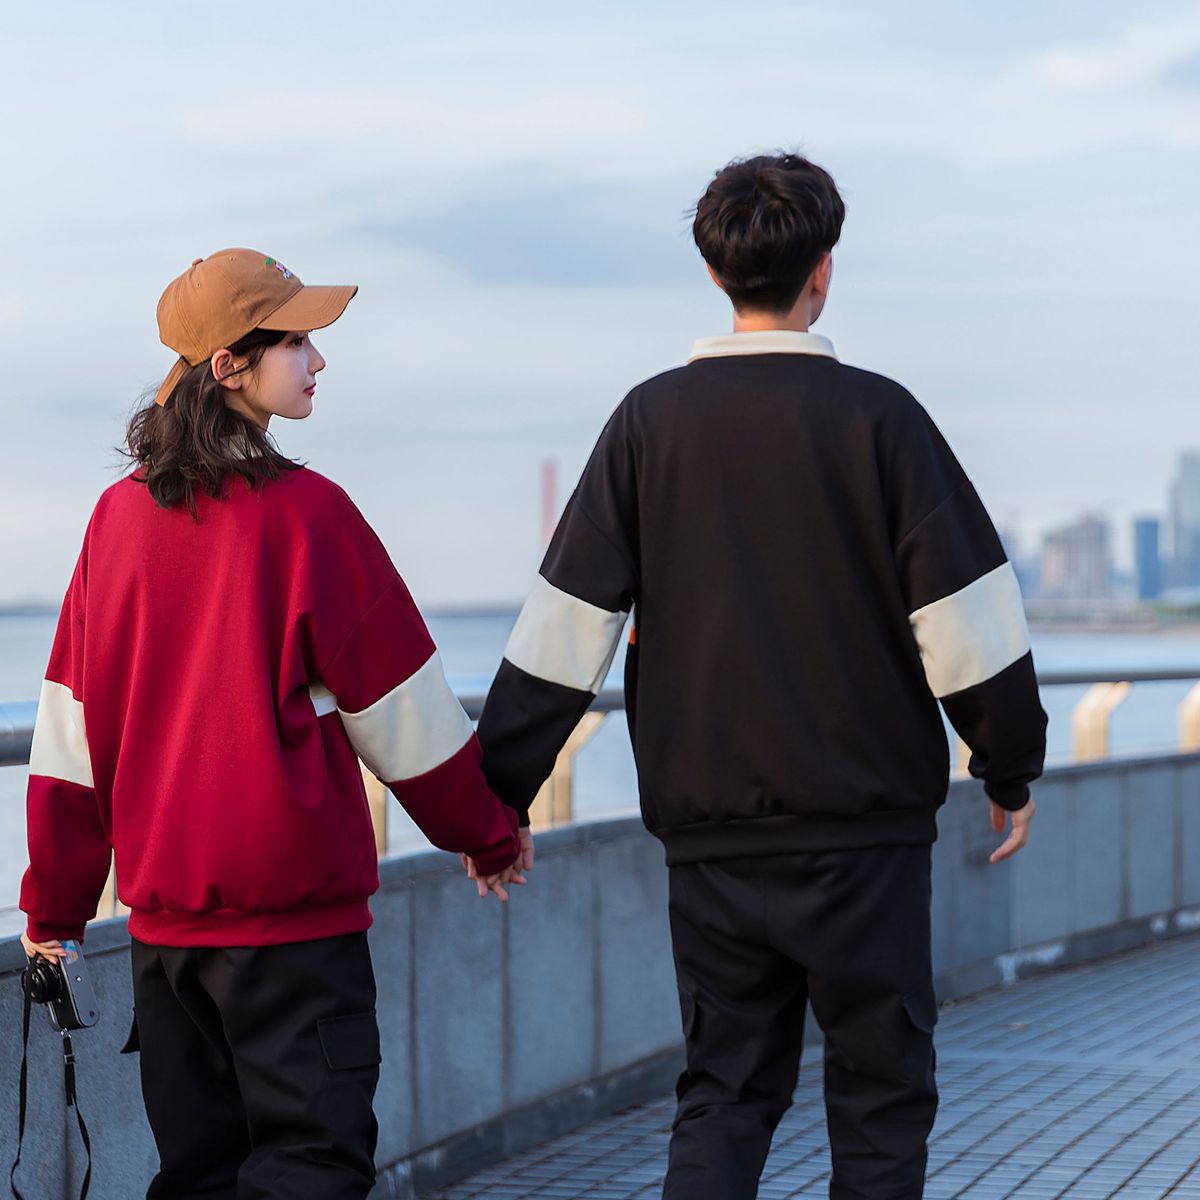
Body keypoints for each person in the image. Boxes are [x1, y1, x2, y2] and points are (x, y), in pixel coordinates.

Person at [476, 154, 1048, 1199]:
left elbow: (567, 630)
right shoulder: (883, 420)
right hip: (867, 839)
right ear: (823, 270)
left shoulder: (648, 423)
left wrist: (495, 797)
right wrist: (1008, 765)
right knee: (881, 1097)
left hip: (713, 845)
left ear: (713, 273)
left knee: (726, 1094)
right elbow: (971, 625)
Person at [19, 248, 529, 1200]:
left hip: (168, 946)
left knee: (199, 1172)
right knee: (312, 1166)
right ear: (228, 366)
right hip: (295, 933)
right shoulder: (312, 517)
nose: (317, 363)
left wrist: (54, 912)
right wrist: (488, 836)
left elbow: (69, 736)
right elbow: (403, 711)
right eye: (297, 341)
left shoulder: (115, 522)